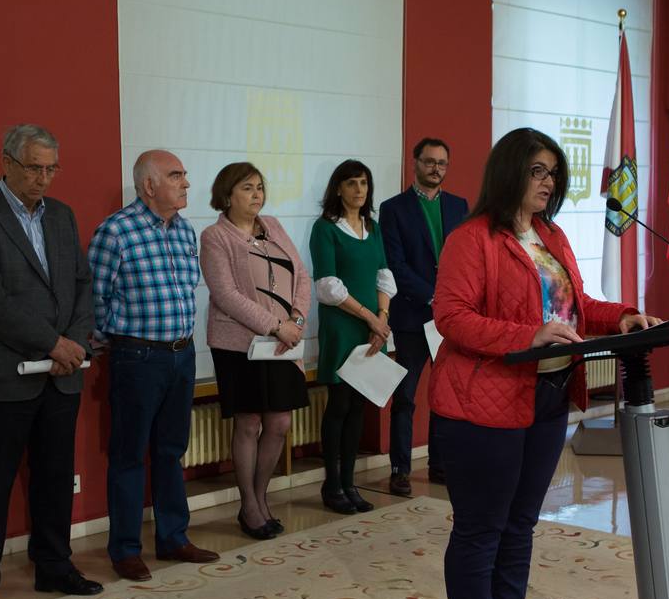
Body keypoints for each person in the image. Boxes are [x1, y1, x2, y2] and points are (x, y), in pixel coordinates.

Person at [429, 127, 660, 599]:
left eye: (553, 173)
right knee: (482, 529)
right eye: (537, 171)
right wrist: (527, 335)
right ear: (510, 172)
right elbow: (451, 317)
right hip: (482, 405)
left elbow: (577, 308)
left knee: (520, 526)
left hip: (548, 398)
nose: (548, 181)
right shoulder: (472, 238)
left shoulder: (551, 236)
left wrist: (624, 315)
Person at [0, 124, 102, 599]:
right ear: (8, 162)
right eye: (34, 167)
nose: (43, 177)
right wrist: (52, 343)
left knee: (56, 477)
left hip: (61, 374)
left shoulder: (61, 216)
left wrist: (74, 343)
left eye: (51, 168)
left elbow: (81, 284)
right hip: (3, 376)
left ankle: (54, 565)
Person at [87, 149, 220, 582]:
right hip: (138, 357)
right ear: (149, 185)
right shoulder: (116, 232)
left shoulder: (186, 233)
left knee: (171, 450)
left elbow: (188, 292)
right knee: (128, 455)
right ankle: (125, 549)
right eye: (175, 175)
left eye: (184, 175)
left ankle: (173, 537)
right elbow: (94, 299)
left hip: (182, 355)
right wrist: (118, 340)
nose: (185, 183)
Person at [199, 162, 311, 540]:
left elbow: (302, 276)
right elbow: (225, 294)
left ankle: (262, 497)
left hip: (282, 341)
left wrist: (295, 320)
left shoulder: (274, 226)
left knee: (279, 423)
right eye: (247, 188)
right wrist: (275, 325)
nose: (257, 195)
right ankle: (248, 506)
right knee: (248, 422)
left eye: (260, 187)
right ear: (227, 194)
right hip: (239, 344)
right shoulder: (216, 236)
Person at [379, 137, 468, 496]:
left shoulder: (460, 206)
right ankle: (400, 467)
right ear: (415, 163)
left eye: (442, 163)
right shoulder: (393, 208)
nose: (436, 169)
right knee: (406, 395)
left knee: (445, 393)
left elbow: (467, 259)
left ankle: (440, 463)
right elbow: (395, 264)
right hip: (413, 316)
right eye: (429, 162)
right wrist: (434, 295)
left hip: (450, 319)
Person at [309, 159, 397, 515]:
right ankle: (331, 485)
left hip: (372, 324)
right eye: (351, 183)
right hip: (343, 325)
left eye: (363, 183)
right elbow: (328, 286)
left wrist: (382, 317)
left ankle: (349, 483)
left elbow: (383, 276)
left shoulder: (372, 228)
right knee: (340, 405)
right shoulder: (325, 229)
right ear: (338, 188)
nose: (358, 190)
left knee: (359, 407)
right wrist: (368, 319)